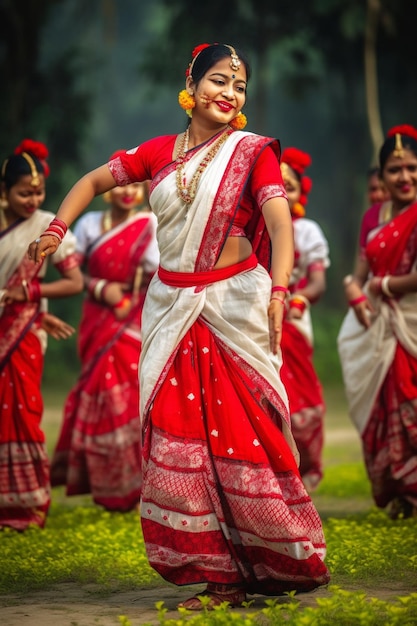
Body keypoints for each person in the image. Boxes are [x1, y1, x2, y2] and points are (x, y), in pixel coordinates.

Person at [28, 43, 330, 607]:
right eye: (219, 80)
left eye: (239, 87)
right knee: (181, 433)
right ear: (190, 83)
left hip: (234, 304)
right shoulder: (159, 153)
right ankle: (218, 573)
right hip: (172, 306)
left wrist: (282, 287)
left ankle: (270, 555)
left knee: (243, 430)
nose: (230, 94)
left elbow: (278, 222)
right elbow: (93, 182)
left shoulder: (252, 151)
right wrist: (55, 230)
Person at [50, 167, 159, 512]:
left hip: (135, 317)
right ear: (108, 190)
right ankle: (104, 483)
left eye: (138, 188)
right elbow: (73, 271)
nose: (129, 193)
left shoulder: (150, 225)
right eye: (123, 187)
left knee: (128, 398)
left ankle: (136, 484)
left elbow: (160, 272)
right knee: (99, 394)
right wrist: (100, 288)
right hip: (97, 318)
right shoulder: (87, 225)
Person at [0, 139, 83, 531]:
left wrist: (30, 296)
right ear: (4, 192)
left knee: (23, 412)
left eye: (39, 192)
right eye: (23, 193)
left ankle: (25, 506)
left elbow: (73, 282)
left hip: (23, 335)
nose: (33, 200)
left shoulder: (48, 225)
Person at [338, 124, 417, 520]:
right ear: (382, 176)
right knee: (383, 412)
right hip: (376, 328)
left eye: (411, 167)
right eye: (395, 170)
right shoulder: (375, 214)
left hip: (410, 322)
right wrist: (352, 287)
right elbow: (358, 271)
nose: (405, 177)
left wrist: (380, 284)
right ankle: (402, 490)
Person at [279, 147, 330, 492]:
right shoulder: (253, 231)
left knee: (300, 398)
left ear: (301, 193)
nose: (283, 193)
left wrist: (297, 298)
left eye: (290, 187)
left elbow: (317, 282)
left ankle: (304, 468)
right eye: (276, 186)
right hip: (255, 322)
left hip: (293, 321)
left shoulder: (307, 230)